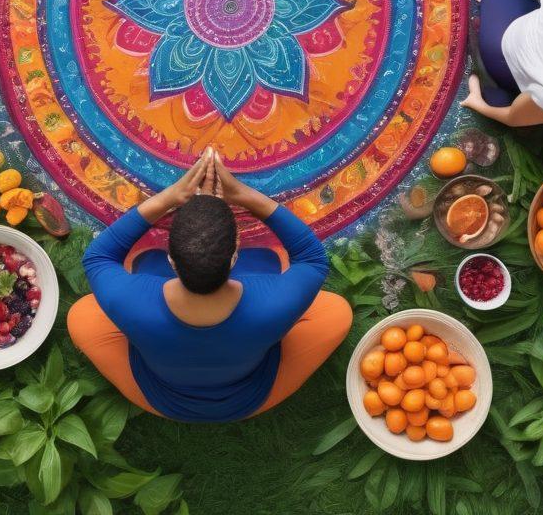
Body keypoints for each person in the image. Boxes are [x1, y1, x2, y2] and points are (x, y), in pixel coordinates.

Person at [67, 149, 352, 422]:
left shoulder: (127, 300)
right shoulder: (275, 303)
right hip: (250, 395)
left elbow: (98, 256)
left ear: (171, 260)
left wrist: (168, 198)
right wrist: (244, 195)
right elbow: (312, 258)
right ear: (235, 258)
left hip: (161, 396)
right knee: (337, 311)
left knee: (81, 315)